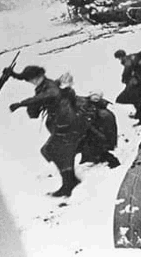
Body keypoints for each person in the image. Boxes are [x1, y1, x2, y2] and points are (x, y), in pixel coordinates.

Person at [7, 66, 84, 197]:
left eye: (32, 79)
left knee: (51, 150)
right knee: (62, 151)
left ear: (39, 76)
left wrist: (21, 103)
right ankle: (70, 180)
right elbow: (37, 97)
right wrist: (13, 74)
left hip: (66, 124)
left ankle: (69, 183)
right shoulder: (44, 85)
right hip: (62, 123)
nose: (31, 82)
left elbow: (48, 96)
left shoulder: (50, 87)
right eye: (30, 80)